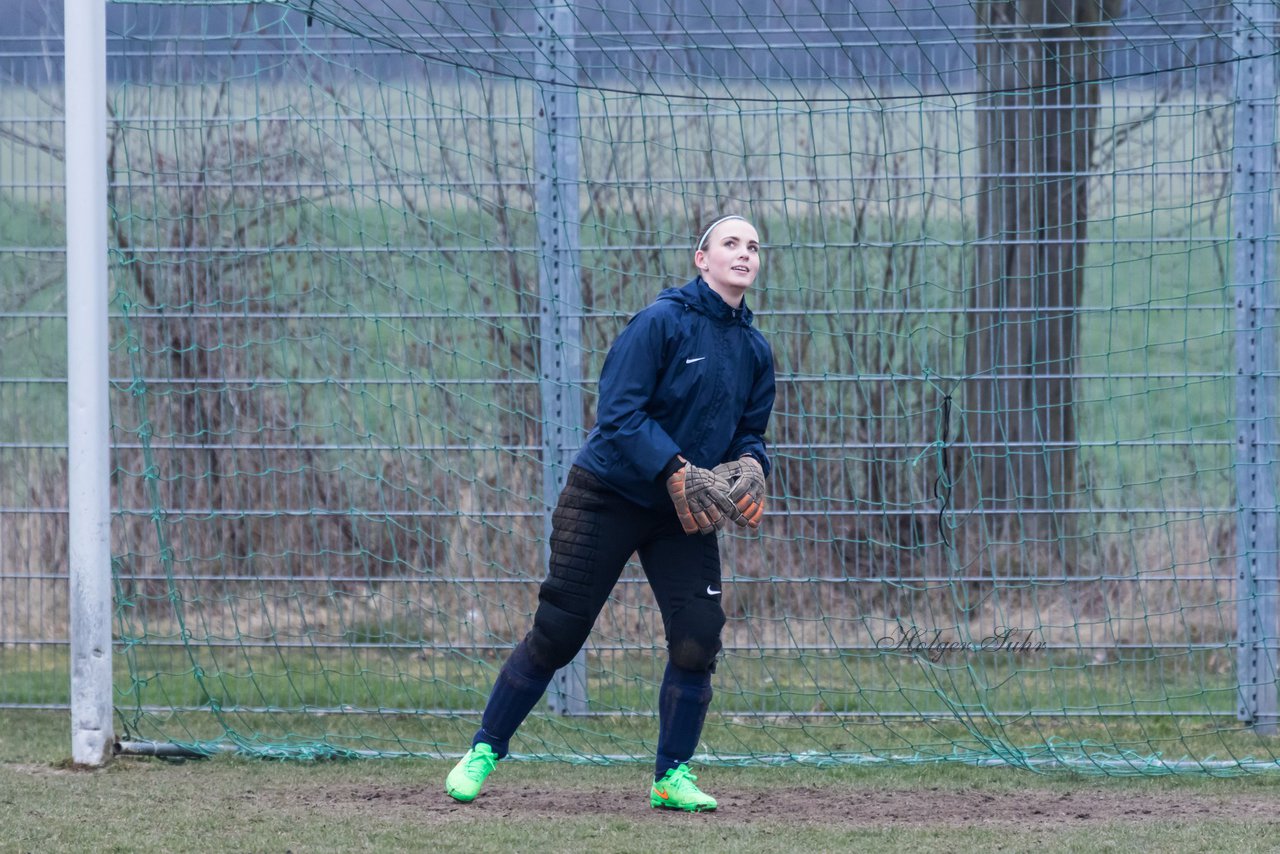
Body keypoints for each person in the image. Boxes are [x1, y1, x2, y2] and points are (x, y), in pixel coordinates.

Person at [444, 214, 776, 812]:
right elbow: (618, 414)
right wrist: (675, 467)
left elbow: (751, 433)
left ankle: (670, 777)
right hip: (609, 493)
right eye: (730, 243)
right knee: (559, 632)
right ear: (701, 259)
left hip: (684, 511)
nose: (744, 253)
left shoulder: (755, 349)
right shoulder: (660, 323)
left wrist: (754, 465)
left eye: (753, 246)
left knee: (698, 640)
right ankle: (484, 750)